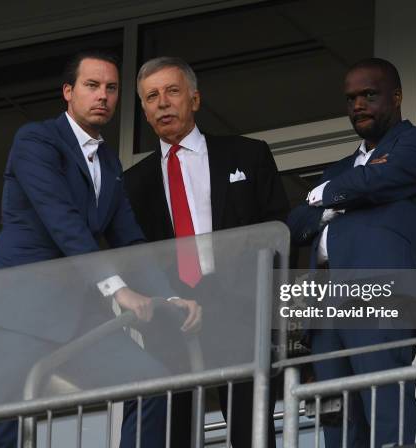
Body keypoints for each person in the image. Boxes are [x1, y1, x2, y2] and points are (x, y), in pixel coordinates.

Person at [0, 50, 200, 448]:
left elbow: (130, 240)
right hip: (18, 314)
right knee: (5, 428)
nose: (103, 96)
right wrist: (118, 289)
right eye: (92, 86)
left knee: (154, 386)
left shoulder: (109, 161)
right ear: (68, 92)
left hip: (76, 316)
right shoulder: (36, 140)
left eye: (111, 88)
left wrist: (170, 294)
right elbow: (63, 222)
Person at [124, 57, 289, 447]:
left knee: (251, 433)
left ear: (195, 99)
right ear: (145, 112)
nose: (163, 102)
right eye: (152, 96)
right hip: (171, 319)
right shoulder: (132, 185)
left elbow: (278, 233)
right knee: (173, 433)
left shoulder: (248, 155)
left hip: (239, 313)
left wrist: (267, 307)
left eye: (172, 91)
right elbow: (130, 256)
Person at [288, 58, 416, 447]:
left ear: (396, 97)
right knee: (337, 417)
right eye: (351, 99)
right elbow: (296, 223)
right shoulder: (341, 166)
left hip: (379, 291)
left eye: (369, 95)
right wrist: (340, 196)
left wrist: (329, 195)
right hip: (325, 303)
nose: (358, 104)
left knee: (384, 402)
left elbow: (383, 178)